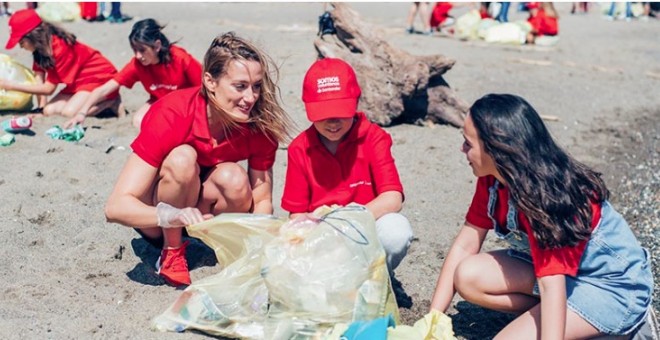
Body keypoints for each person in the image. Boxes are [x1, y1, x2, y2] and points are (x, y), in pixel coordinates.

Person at [429, 94, 655, 338]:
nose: (461, 149)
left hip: (610, 287)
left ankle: (621, 328)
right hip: (563, 278)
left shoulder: (551, 198)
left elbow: (551, 285)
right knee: (468, 275)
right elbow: (465, 246)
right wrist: (432, 320)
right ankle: (568, 323)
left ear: (496, 150)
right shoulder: (493, 180)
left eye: (468, 143)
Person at [104, 32, 294, 287]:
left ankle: (220, 244)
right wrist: (173, 215)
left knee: (234, 177)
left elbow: (261, 200)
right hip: (160, 219)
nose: (251, 98)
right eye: (240, 86)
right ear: (210, 81)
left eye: (256, 86)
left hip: (202, 218)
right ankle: (172, 253)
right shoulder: (173, 113)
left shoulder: (258, 125)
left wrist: (260, 249)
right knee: (183, 158)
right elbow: (115, 207)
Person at [280, 57, 414, 305]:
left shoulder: (374, 138)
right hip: (322, 237)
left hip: (366, 229)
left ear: (356, 103)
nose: (332, 123)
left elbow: (393, 197)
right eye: (323, 115)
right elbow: (296, 214)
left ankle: (379, 275)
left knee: (396, 230)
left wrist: (348, 220)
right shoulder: (300, 148)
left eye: (341, 113)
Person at [64, 18, 202, 129]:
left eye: (142, 50)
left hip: (187, 104)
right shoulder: (137, 64)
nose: (137, 55)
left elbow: (206, 87)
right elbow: (106, 88)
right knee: (138, 121)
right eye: (134, 50)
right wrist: (82, 113)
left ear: (157, 46)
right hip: (160, 102)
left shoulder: (180, 59)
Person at [0, 9, 119, 118]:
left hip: (99, 77)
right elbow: (39, 77)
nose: (21, 47)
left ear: (33, 35)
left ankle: (110, 102)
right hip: (77, 83)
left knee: (69, 112)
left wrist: (10, 86)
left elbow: (48, 89)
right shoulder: (40, 48)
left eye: (21, 42)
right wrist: (41, 109)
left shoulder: (59, 47)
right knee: (49, 110)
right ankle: (93, 102)